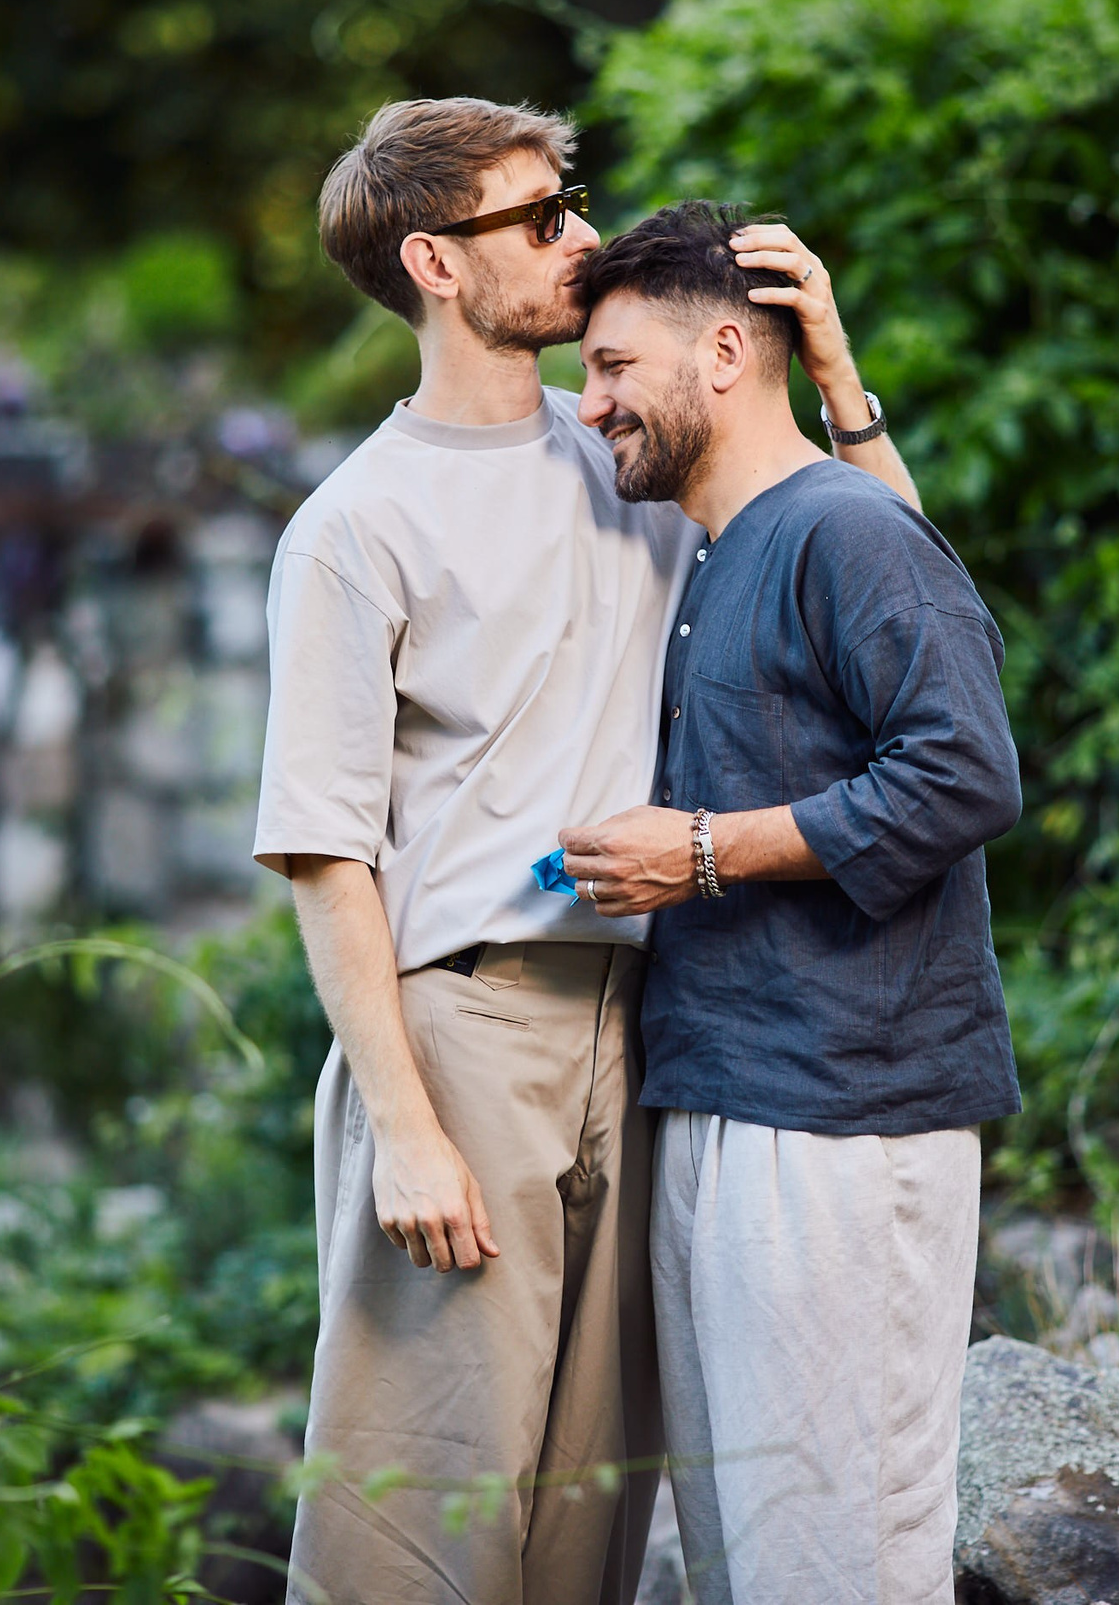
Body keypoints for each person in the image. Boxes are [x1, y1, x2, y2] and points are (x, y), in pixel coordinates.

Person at [253, 101, 920, 1605]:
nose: (580, 240)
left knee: (587, 1530)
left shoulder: (626, 447)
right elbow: (322, 852)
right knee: (419, 1528)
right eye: (540, 217)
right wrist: (404, 1121)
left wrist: (837, 379)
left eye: (574, 204)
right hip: (466, 1023)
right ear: (436, 261)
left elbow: (893, 603)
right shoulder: (353, 528)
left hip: (657, 1026)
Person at [559, 200, 1022, 1604]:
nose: (589, 407)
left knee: (839, 1571)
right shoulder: (724, 547)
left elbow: (964, 768)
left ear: (720, 352)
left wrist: (699, 854)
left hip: (842, 1129)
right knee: (746, 1575)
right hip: (717, 1104)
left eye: (613, 367)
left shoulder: (834, 530)